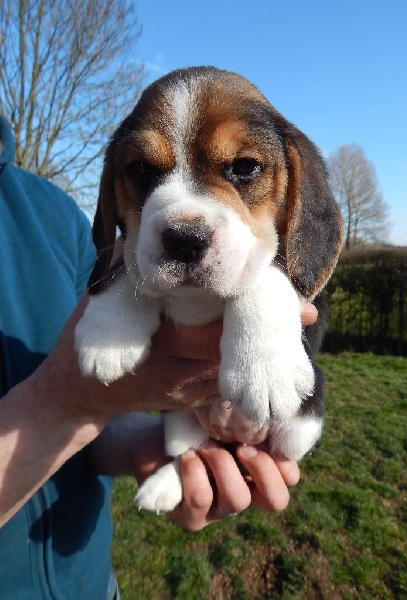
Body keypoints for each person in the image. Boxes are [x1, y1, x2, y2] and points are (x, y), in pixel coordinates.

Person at [0, 114, 317, 599]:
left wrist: (146, 448)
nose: (185, 218)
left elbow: (101, 395)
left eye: (243, 167)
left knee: (296, 432)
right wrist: (68, 398)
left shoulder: (49, 211)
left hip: (91, 584)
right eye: (145, 172)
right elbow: (120, 281)